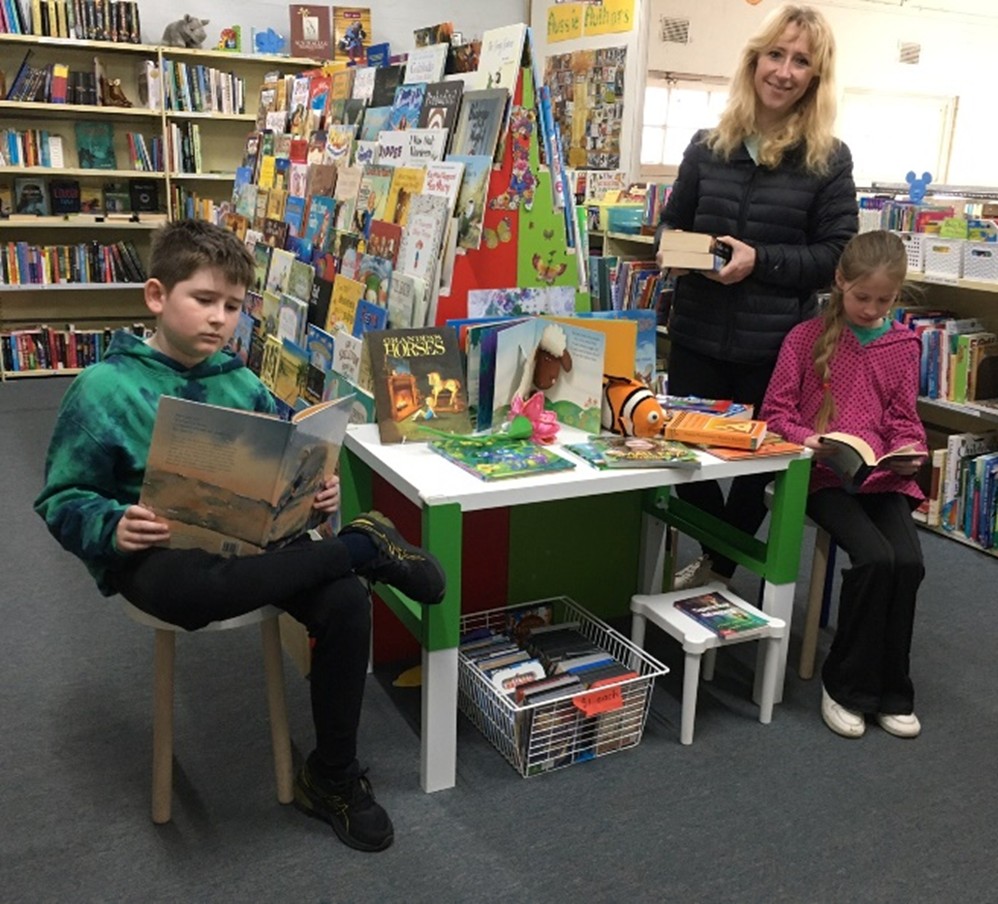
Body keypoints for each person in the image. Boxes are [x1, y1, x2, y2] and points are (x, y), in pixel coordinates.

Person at [34, 219, 447, 852]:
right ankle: (362, 547)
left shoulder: (242, 381)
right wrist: (112, 525)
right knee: (191, 593)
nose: (219, 320)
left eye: (232, 306)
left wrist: (315, 497)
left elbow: (291, 457)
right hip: (162, 553)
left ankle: (332, 778)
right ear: (156, 296)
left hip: (255, 547)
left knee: (344, 601)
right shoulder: (104, 390)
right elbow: (62, 498)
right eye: (203, 300)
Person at [656, 4, 859, 588]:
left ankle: (719, 567)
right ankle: (721, 555)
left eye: (802, 62)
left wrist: (759, 259)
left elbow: (835, 256)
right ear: (755, 60)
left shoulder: (828, 158)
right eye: (776, 54)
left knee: (756, 472)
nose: (785, 71)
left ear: (815, 78)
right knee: (679, 458)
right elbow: (669, 230)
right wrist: (694, 254)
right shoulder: (706, 145)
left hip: (775, 349)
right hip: (697, 332)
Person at [759, 230, 927, 739]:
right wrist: (806, 437)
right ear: (840, 281)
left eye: (884, 300)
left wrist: (910, 451)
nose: (872, 309)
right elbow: (775, 412)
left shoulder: (903, 344)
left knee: (908, 563)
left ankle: (892, 690)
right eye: (862, 297)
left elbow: (903, 417)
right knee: (875, 559)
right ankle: (847, 686)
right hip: (825, 475)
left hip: (881, 477)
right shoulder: (804, 338)